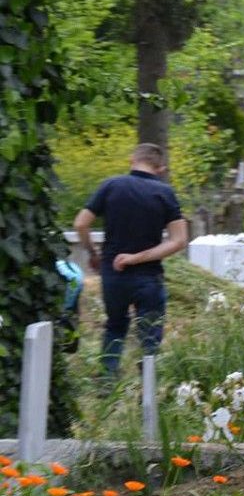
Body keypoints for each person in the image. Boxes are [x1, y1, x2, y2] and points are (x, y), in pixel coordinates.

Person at [73, 143, 189, 377]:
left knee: (115, 326)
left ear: (132, 160)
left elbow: (80, 223)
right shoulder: (164, 193)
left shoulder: (111, 185)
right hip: (148, 277)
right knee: (149, 336)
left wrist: (93, 254)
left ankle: (107, 383)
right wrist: (136, 258)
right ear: (160, 168)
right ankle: (147, 391)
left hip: (113, 274)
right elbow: (179, 240)